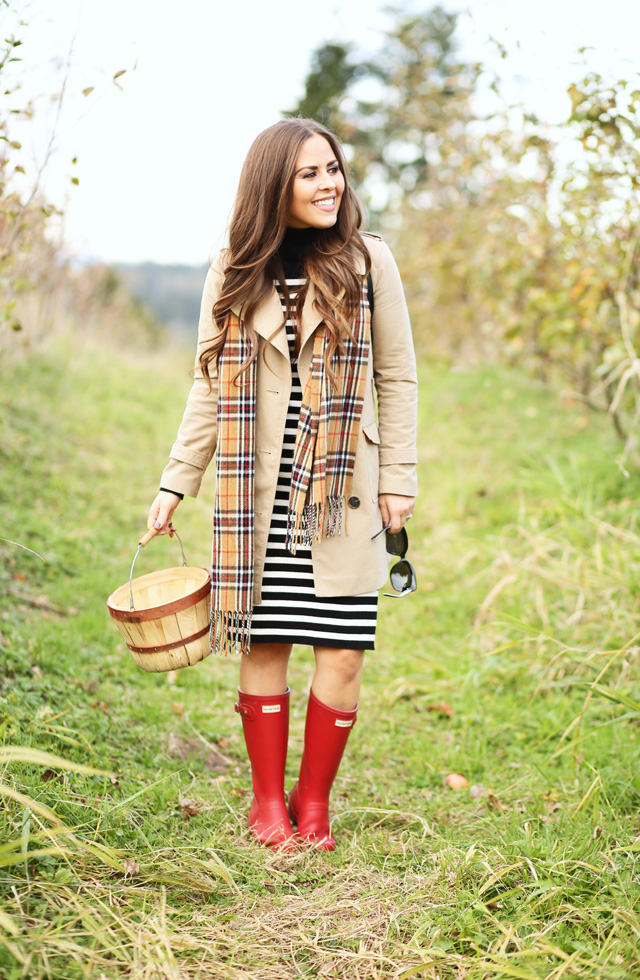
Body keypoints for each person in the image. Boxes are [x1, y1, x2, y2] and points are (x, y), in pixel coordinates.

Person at [147, 118, 417, 852]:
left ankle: (314, 803)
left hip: (344, 487)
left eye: (333, 169)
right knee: (264, 644)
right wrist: (177, 483)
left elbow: (396, 376)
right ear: (275, 186)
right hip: (255, 490)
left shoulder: (370, 262)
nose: (330, 183)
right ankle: (268, 803)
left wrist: (399, 479)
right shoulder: (234, 267)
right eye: (310, 174)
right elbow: (209, 385)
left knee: (342, 651)